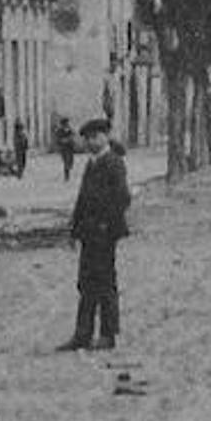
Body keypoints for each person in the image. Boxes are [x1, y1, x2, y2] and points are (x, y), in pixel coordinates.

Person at [57, 118, 131, 352]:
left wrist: (105, 225)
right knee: (86, 284)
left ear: (105, 137)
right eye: (87, 138)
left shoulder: (114, 163)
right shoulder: (92, 164)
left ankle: (108, 334)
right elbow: (83, 199)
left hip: (104, 234)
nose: (90, 142)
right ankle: (83, 334)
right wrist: (74, 230)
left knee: (105, 283)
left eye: (95, 137)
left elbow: (122, 198)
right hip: (89, 234)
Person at [54, 117, 76, 182]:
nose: (67, 124)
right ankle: (67, 176)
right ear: (63, 124)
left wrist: (70, 138)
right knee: (66, 161)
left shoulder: (70, 129)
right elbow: (58, 139)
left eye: (67, 123)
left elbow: (73, 135)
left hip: (70, 148)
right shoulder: (59, 131)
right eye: (66, 123)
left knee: (70, 161)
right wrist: (63, 141)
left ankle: (68, 169)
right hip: (64, 148)